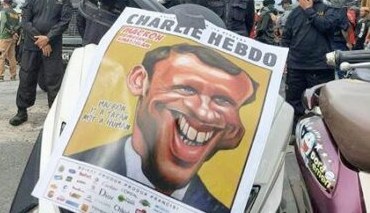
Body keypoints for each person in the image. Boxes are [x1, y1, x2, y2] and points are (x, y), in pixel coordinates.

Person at [72, 44, 257, 213]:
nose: (204, 113)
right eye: (187, 88)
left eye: (223, 101)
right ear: (139, 81)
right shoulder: (70, 173)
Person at [9, 0, 73, 126]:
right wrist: (41, 40)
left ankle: (55, 113)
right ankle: (21, 111)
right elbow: (25, 21)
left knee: (54, 79)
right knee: (26, 77)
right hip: (33, 46)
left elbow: (65, 21)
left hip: (53, 46)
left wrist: (49, 38)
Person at [282, 0, 336, 123]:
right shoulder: (294, 12)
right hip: (296, 66)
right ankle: (295, 132)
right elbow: (286, 37)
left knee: (321, 104)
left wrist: (309, 10)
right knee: (293, 102)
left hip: (320, 67)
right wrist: (284, 60)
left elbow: (327, 26)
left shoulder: (329, 6)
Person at [0, 0, 21, 81]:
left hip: (4, 36)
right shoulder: (15, 13)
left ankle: (0, 76)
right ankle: (13, 75)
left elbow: (5, 22)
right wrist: (14, 32)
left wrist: (10, 31)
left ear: (4, 2)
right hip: (13, 38)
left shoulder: (4, 12)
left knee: (0, 56)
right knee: (11, 57)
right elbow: (18, 24)